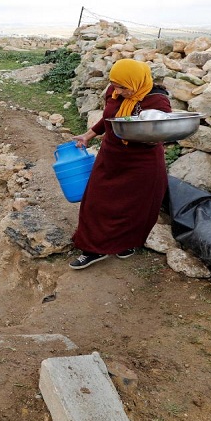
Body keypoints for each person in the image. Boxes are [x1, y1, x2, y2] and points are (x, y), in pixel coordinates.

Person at [69, 58, 171, 270]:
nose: (117, 91)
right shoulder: (113, 91)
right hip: (111, 157)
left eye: (123, 87)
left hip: (142, 162)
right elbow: (109, 118)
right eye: (115, 85)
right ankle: (92, 249)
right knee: (96, 202)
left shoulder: (157, 101)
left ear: (136, 82)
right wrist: (88, 135)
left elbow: (163, 132)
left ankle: (126, 242)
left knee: (135, 207)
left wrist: (154, 138)